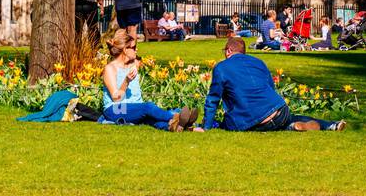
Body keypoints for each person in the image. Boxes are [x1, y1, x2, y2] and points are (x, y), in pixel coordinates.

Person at [202, 37, 345, 131]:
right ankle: (331, 125)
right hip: (279, 110)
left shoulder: (222, 67)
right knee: (291, 117)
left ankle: (292, 127)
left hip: (251, 119)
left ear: (228, 51)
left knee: (226, 124)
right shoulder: (258, 62)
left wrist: (206, 127)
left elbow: (213, 99)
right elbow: (271, 87)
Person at [101, 30, 197, 131]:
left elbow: (137, 61)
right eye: (133, 48)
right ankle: (176, 117)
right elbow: (116, 98)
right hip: (115, 109)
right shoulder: (110, 68)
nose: (136, 50)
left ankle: (176, 126)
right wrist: (126, 81)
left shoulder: (133, 64)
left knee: (151, 119)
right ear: (125, 50)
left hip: (134, 107)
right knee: (148, 107)